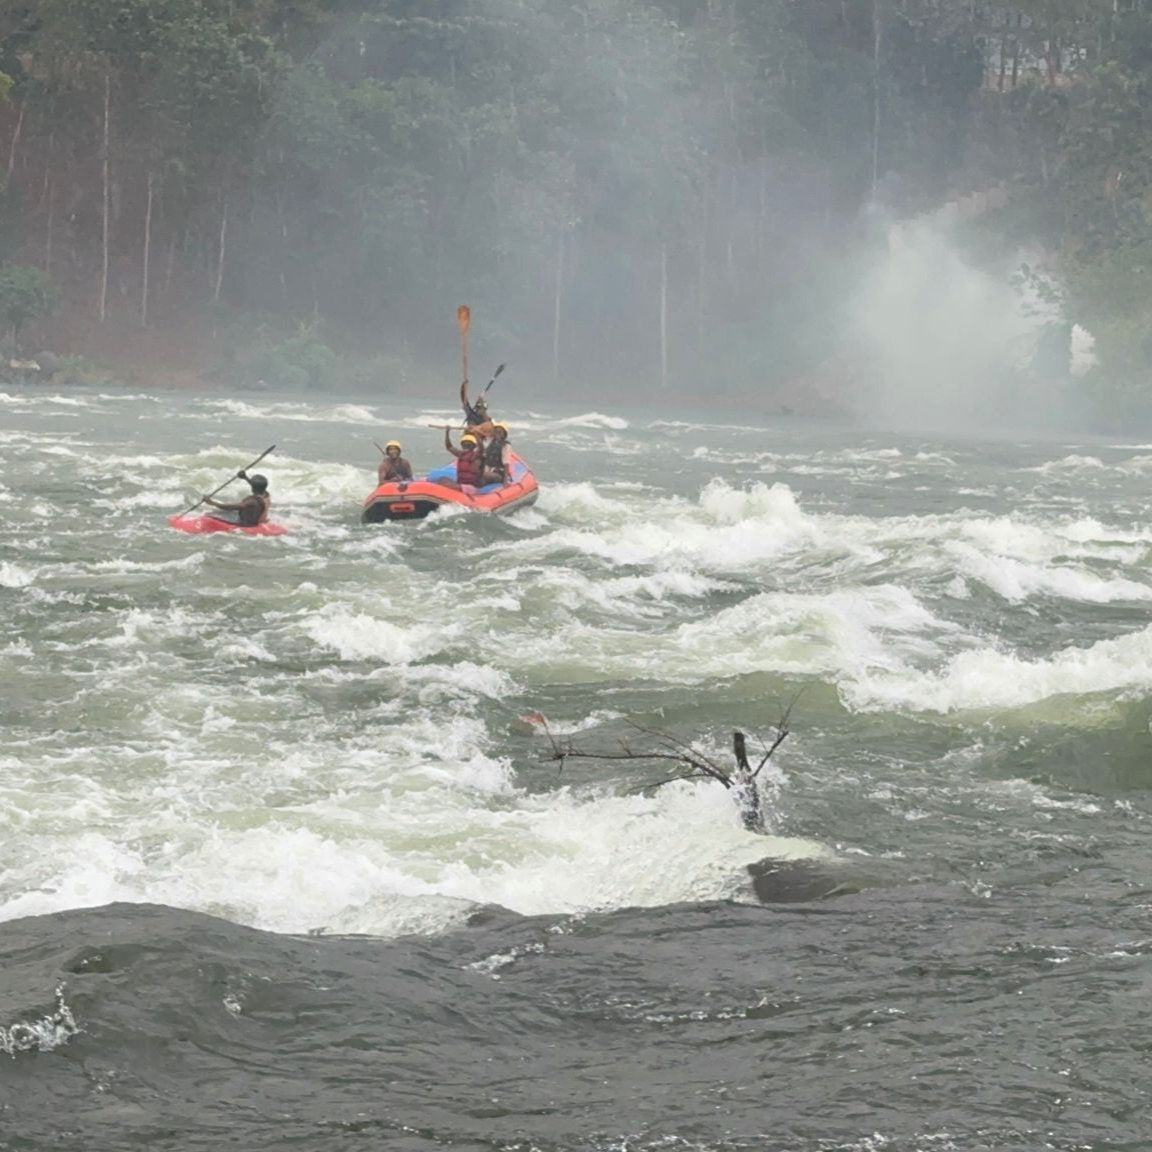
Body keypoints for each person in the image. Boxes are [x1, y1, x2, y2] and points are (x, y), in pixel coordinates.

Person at [203, 471, 270, 526]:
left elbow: (232, 507)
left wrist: (212, 503)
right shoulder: (266, 495)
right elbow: (255, 486)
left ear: (253, 487)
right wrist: (245, 477)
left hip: (245, 523)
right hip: (254, 519)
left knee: (210, 514)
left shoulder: (252, 502)